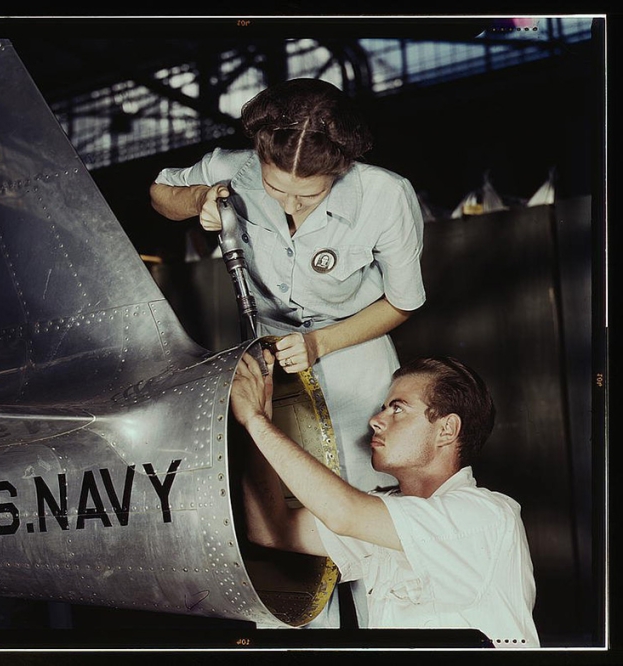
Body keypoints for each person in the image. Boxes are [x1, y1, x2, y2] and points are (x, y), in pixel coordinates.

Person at [150, 78, 426, 626]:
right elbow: (160, 192)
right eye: (278, 191)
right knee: (281, 506)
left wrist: (322, 342)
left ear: (341, 168)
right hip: (266, 353)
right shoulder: (237, 167)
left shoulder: (387, 194)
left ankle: (380, 630)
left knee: (366, 501)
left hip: (352, 346)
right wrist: (200, 199)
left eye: (310, 194)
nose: (291, 204)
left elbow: (403, 301)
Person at [230, 350, 540, 647]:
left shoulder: (486, 516)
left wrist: (257, 421)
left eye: (398, 408)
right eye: (384, 407)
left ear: (447, 430)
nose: (376, 420)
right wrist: (261, 416)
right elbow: (270, 531)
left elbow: (344, 513)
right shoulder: (387, 515)